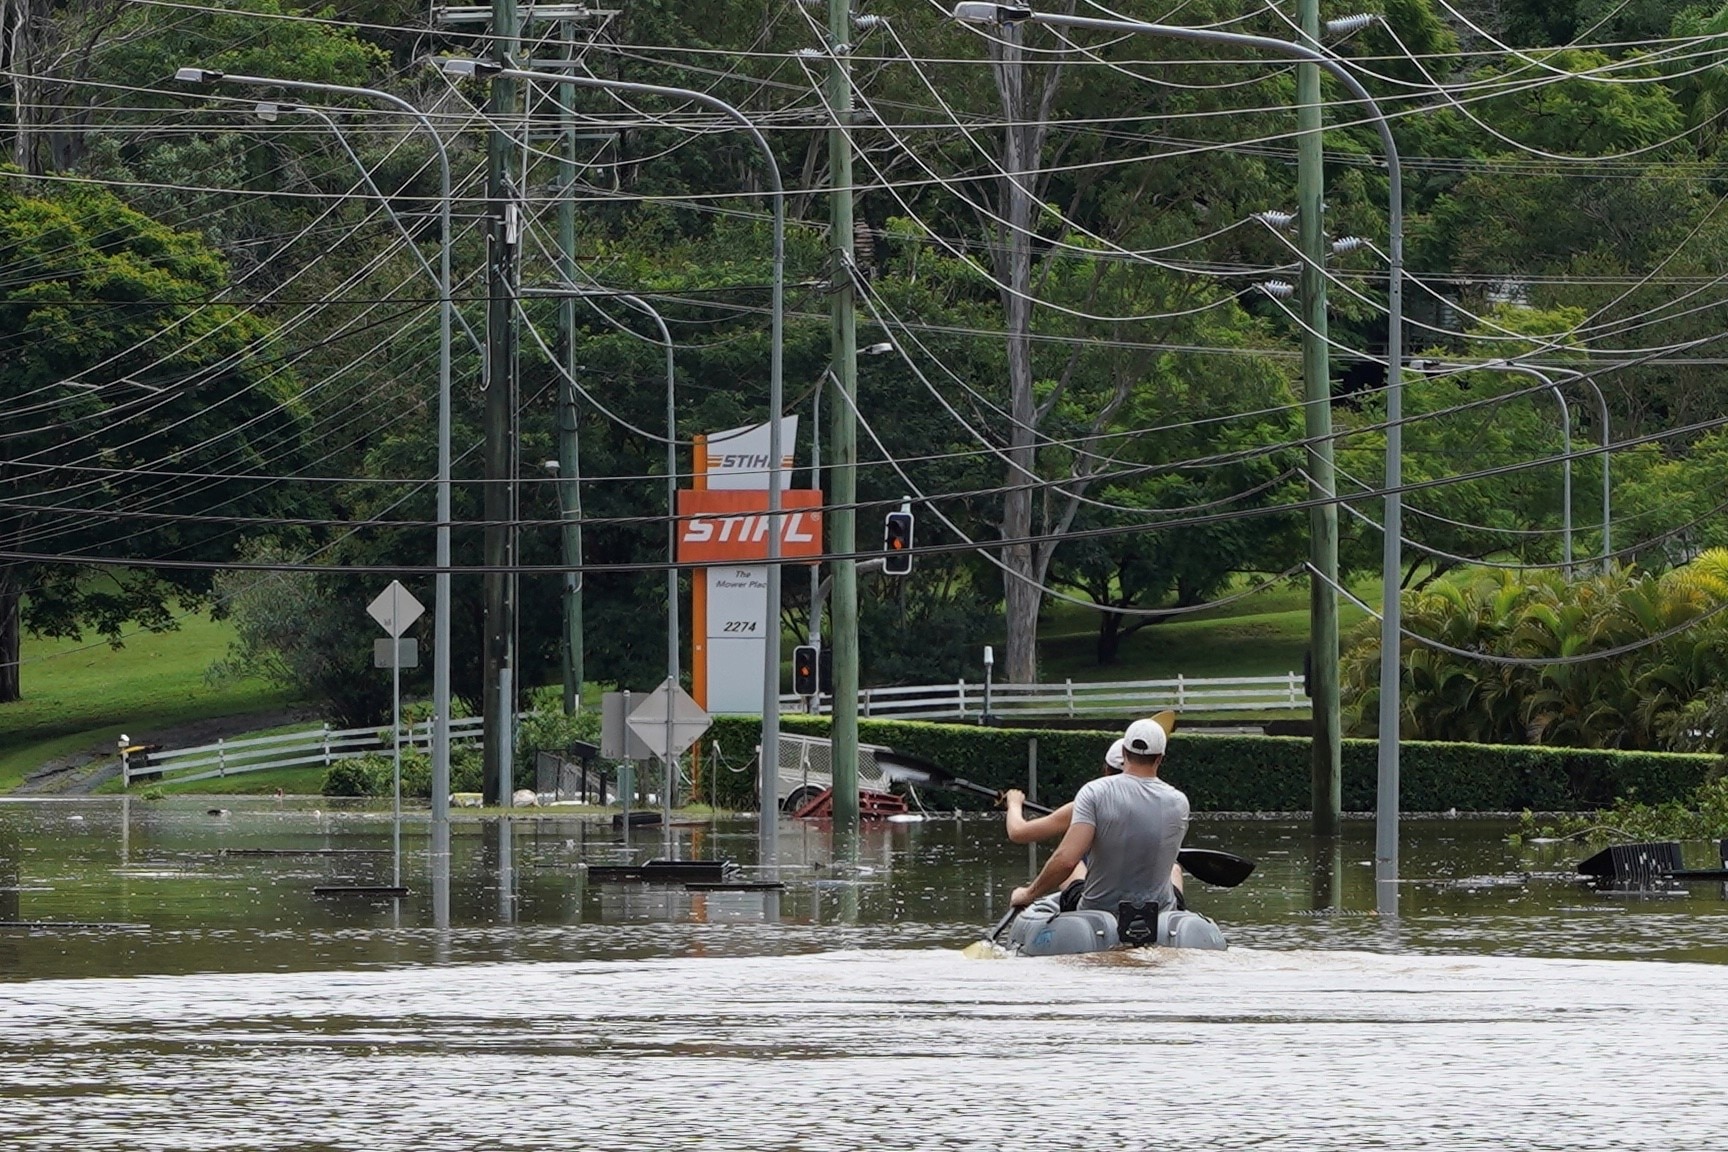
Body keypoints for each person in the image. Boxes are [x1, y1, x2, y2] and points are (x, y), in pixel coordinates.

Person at [1009, 717, 1189, 914]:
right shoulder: (1179, 802)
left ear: (1123, 752)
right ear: (1160, 758)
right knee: (1173, 868)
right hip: (1159, 913)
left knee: (1075, 861)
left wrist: (1028, 894)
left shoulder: (1094, 793)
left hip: (1098, 912)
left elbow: (1066, 861)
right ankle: (1176, 917)